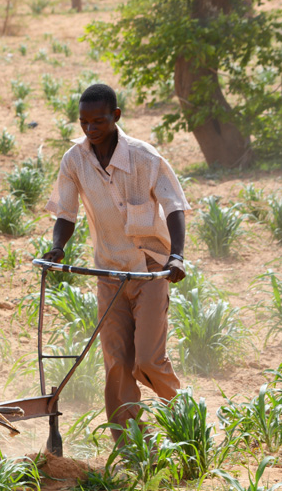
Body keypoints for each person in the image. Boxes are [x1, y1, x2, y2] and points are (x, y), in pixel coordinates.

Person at [42, 83, 188, 443]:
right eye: (84, 122)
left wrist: (177, 256)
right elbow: (66, 212)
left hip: (150, 271)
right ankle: (130, 443)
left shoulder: (144, 157)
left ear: (116, 116)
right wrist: (57, 246)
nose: (91, 129)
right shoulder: (75, 159)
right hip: (109, 273)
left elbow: (174, 206)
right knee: (118, 364)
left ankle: (187, 417)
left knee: (148, 362)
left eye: (99, 121)